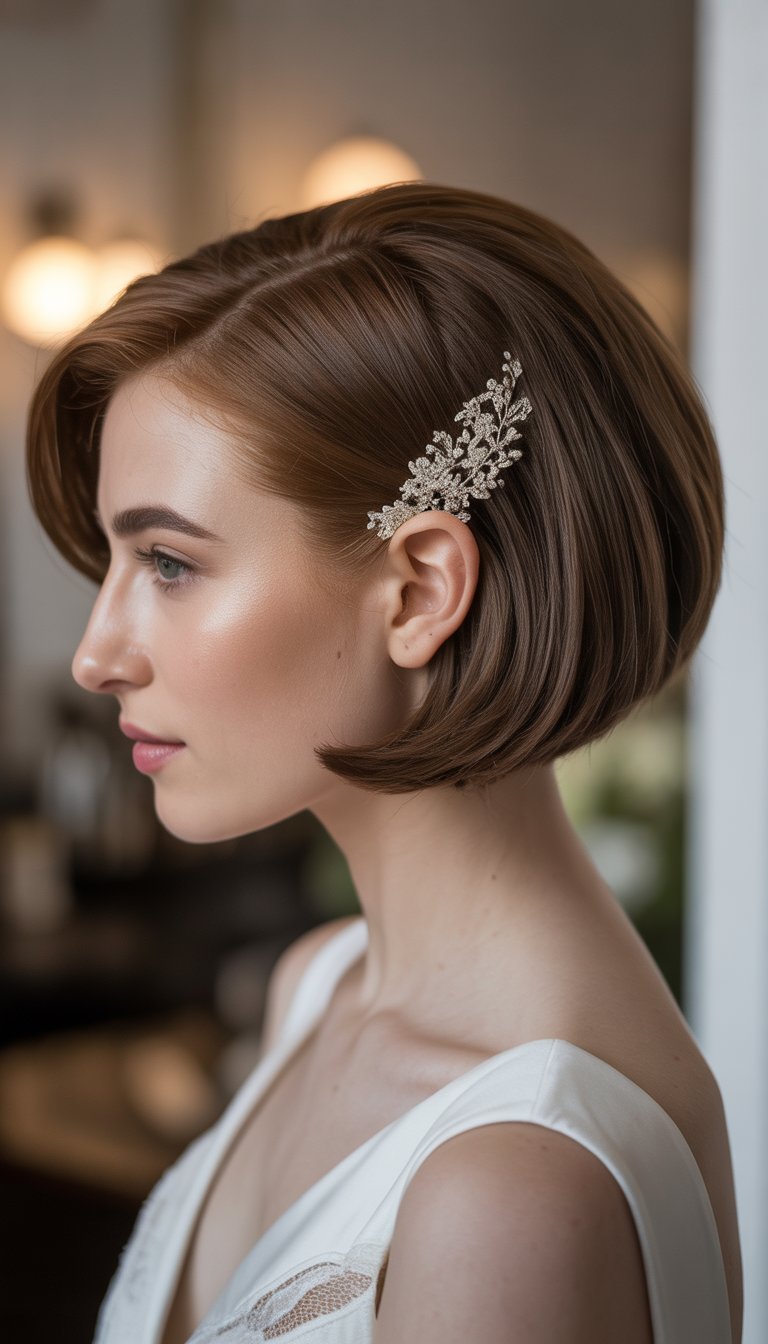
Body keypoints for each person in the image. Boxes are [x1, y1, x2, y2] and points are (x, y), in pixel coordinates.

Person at [26, 181, 742, 1344]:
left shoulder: (510, 1191)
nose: (96, 656)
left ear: (419, 592)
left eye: (169, 564)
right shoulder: (323, 984)